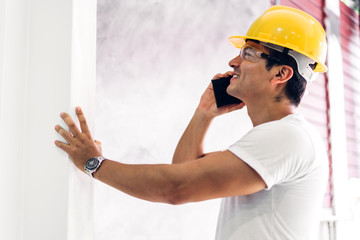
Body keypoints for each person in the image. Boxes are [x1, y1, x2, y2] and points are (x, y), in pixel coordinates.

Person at [54, 5, 329, 240]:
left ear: (281, 73)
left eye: (248, 54)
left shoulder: (288, 137)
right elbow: (185, 170)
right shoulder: (278, 137)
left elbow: (176, 187)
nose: (234, 61)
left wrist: (94, 163)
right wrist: (204, 112)